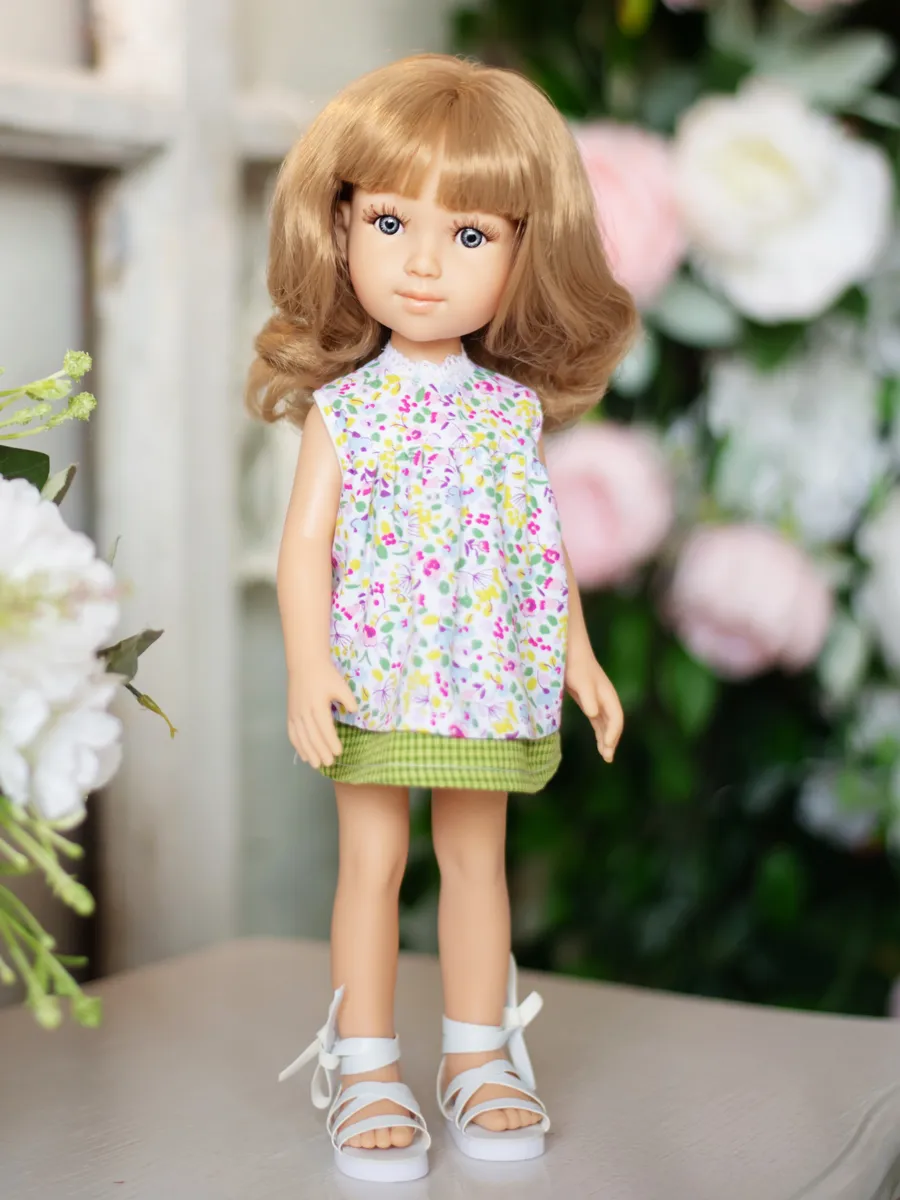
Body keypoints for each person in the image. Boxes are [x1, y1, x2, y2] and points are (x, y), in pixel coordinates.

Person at [246, 51, 638, 1183]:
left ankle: (479, 1056)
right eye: (389, 223)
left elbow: (538, 547)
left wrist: (579, 655)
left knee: (476, 863)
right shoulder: (347, 411)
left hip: (487, 673)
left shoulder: (511, 413)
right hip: (373, 670)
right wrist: (305, 664)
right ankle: (366, 1066)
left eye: (469, 234)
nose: (423, 263)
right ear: (340, 229)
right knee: (372, 862)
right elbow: (303, 548)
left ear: (525, 252)